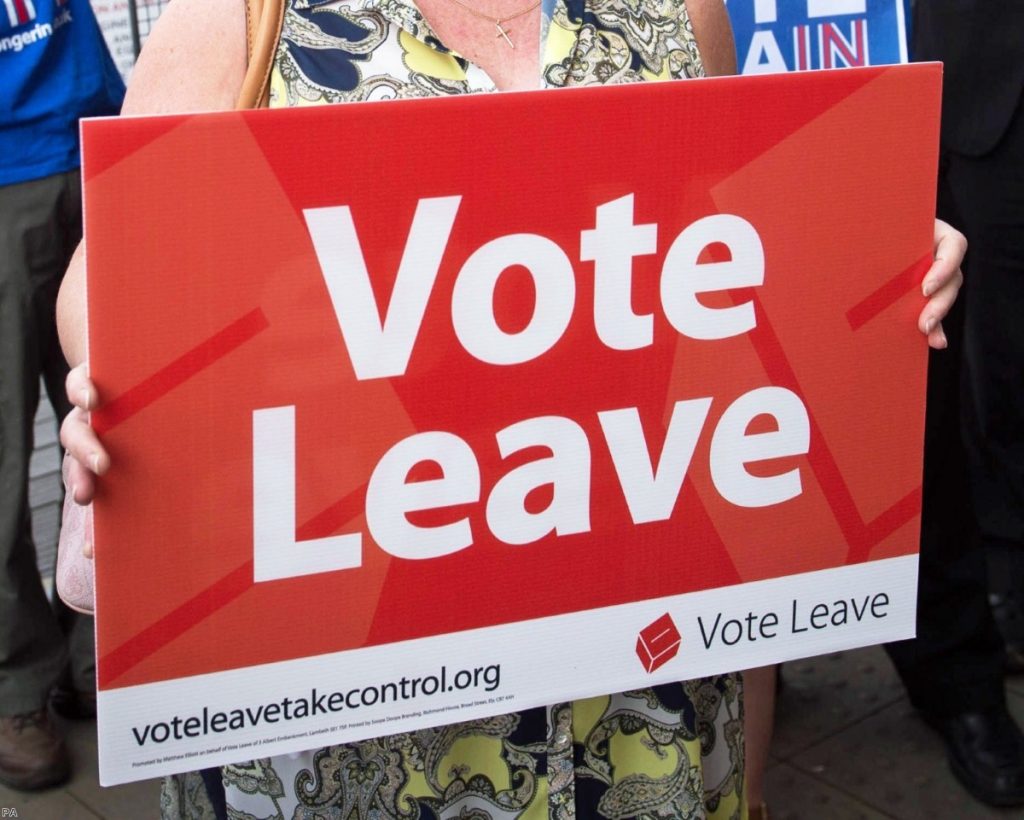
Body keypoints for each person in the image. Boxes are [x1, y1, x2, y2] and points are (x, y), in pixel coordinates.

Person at [55, 0, 963, 816]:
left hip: (643, 677)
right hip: (350, 704)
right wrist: (123, 385)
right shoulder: (241, 21)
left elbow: (726, 250)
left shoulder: (681, 11)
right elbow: (110, 272)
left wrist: (867, 254)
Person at [882, 0, 1024, 808]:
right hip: (763, 53)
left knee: (923, 361)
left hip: (958, 69)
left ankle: (957, 666)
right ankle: (763, 651)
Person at [0, 0, 124, 792]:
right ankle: (15, 685)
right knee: (3, 460)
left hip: (93, 143)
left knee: (116, 426)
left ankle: (97, 651)